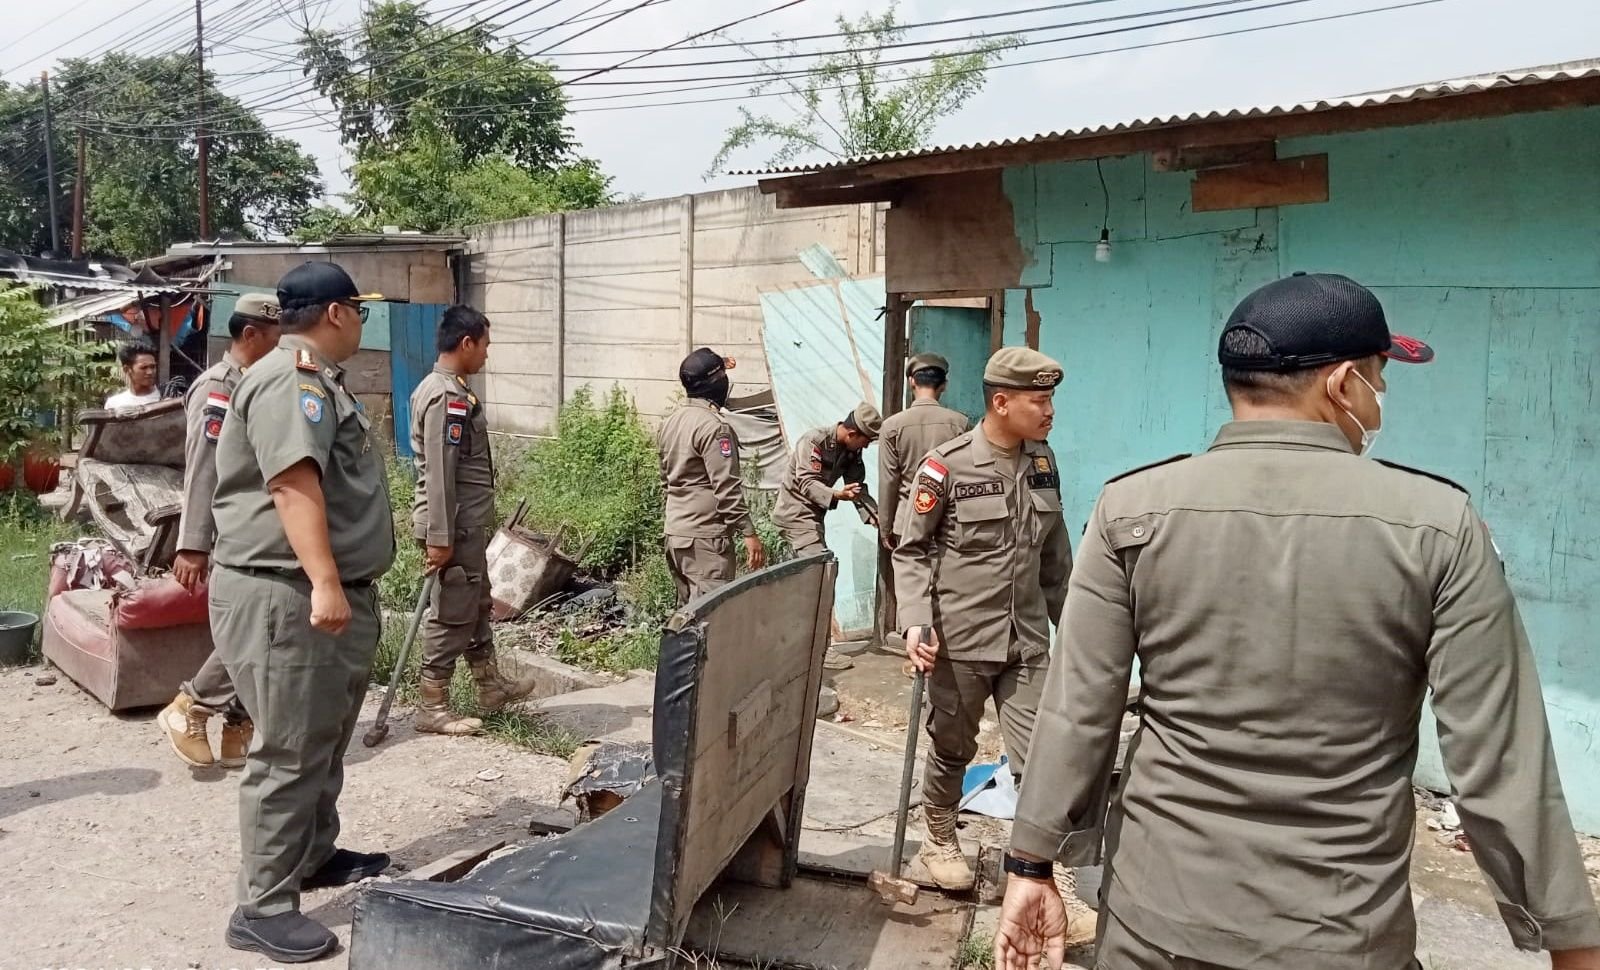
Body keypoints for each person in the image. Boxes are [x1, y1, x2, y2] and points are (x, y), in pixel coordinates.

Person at [994, 273, 1600, 970]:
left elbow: (1078, 711)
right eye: (1379, 376)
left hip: (1154, 924)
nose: (1381, 397)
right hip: (1341, 936)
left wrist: (1031, 865)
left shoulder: (1132, 510)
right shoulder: (1437, 526)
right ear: (1344, 385)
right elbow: (1501, 762)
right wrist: (1570, 944)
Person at [209, 262, 395, 963]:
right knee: (288, 749)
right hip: (287, 592)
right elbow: (292, 484)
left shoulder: (312, 378)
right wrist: (324, 580)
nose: (362, 323)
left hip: (311, 590)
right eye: (361, 311)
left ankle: (311, 855)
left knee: (319, 738)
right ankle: (262, 906)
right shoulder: (294, 380)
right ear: (338, 313)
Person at [893, 346, 1089, 938]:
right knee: (953, 747)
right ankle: (939, 837)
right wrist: (914, 620)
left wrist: (1077, 628)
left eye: (1051, 398)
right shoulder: (944, 467)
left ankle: (1047, 876)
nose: (1050, 410)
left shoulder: (1043, 461)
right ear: (1001, 402)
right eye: (1039, 400)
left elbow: (1055, 557)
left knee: (1042, 763)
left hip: (1026, 641)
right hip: (960, 641)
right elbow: (912, 548)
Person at [157, 293, 282, 768]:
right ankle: (190, 706)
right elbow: (203, 469)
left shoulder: (257, 385)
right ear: (250, 335)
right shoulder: (219, 388)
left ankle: (237, 727)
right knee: (251, 635)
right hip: (232, 535)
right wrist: (192, 544)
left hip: (261, 531)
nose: (281, 346)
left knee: (266, 635)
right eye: (274, 337)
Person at [408, 304, 536, 736]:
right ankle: (432, 704)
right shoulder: (445, 397)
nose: (486, 355)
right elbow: (441, 473)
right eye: (484, 346)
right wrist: (440, 538)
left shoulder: (454, 391)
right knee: (452, 614)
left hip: (464, 523)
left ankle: (489, 685)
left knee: (477, 603)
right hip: (453, 526)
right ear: (466, 344)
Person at [657, 347, 765, 606]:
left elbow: (666, 482)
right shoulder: (714, 427)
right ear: (716, 382)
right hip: (705, 541)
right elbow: (726, 488)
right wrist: (749, 534)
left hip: (676, 535)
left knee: (689, 620)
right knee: (712, 621)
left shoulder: (670, 422)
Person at [876, 352, 970, 549]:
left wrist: (885, 528)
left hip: (907, 524)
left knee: (909, 579)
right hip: (949, 524)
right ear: (944, 385)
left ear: (912, 382)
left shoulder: (892, 426)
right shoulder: (961, 424)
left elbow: (888, 481)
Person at [772, 400, 881, 556]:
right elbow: (807, 484)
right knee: (820, 566)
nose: (865, 447)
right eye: (866, 442)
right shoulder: (814, 441)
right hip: (795, 513)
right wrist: (838, 495)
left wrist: (874, 515)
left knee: (821, 569)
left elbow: (856, 487)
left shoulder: (851, 450)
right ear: (851, 434)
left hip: (814, 516)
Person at [104, 339, 160, 408]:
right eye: (143, 368)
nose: (150, 372)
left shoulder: (167, 399)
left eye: (153, 367)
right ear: (127, 369)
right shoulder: (115, 404)